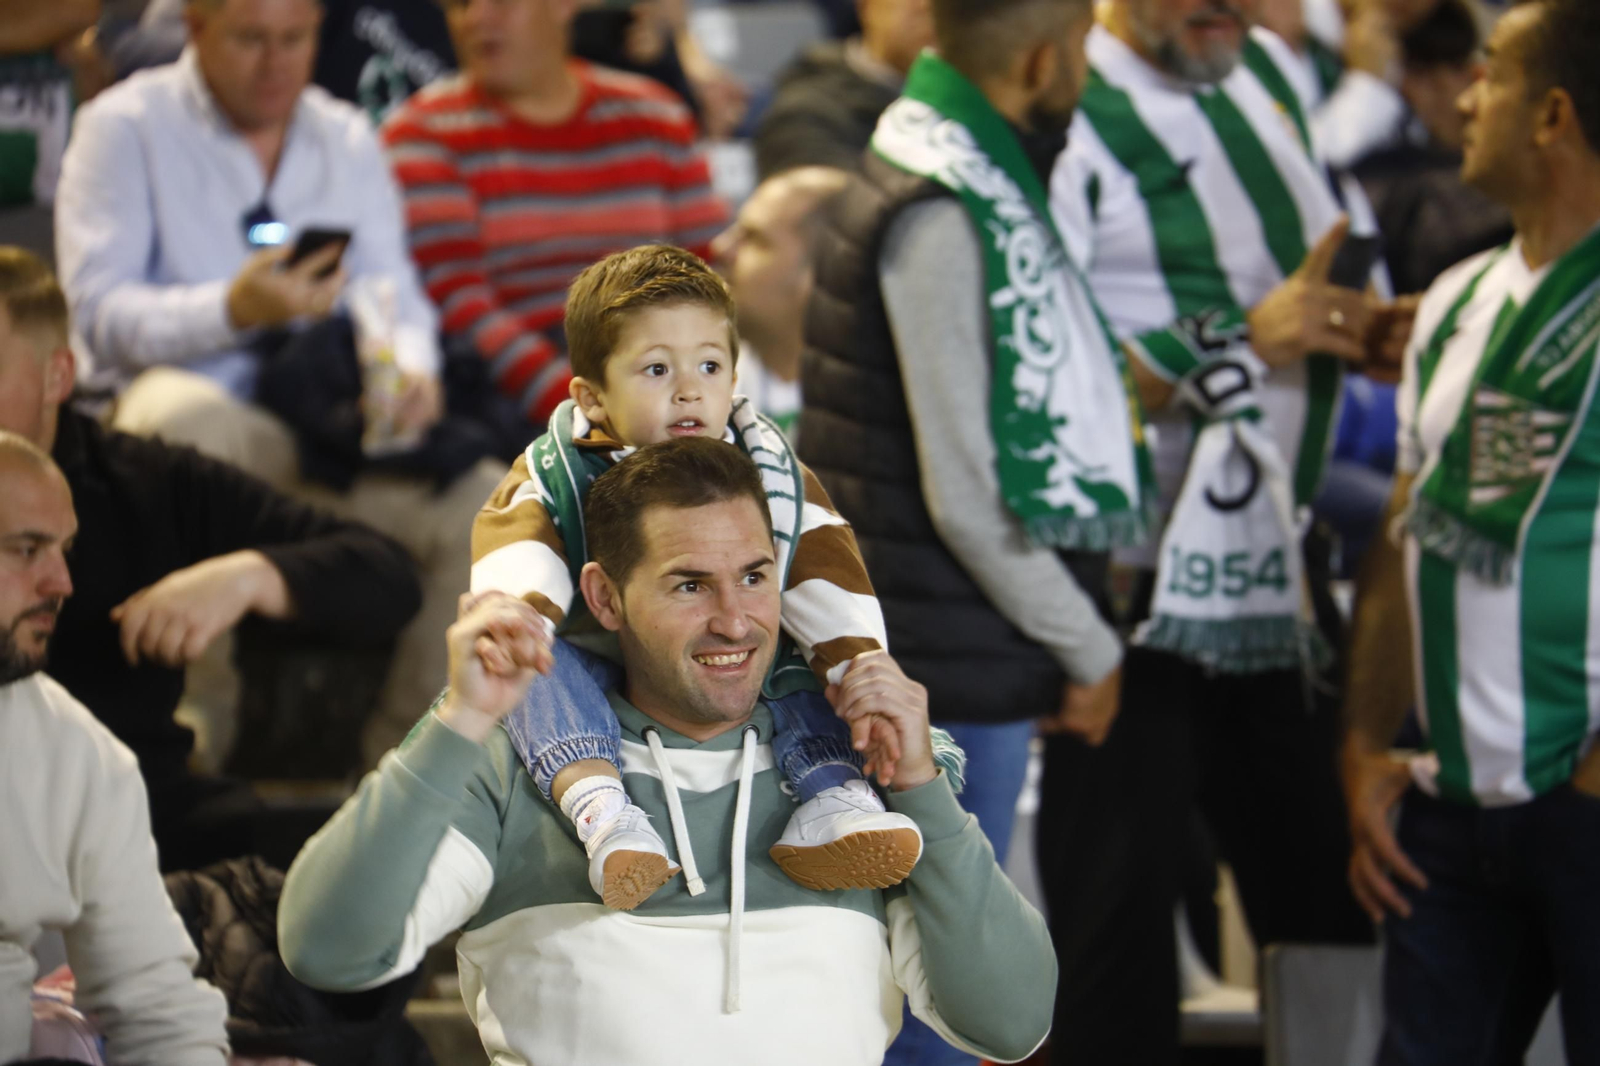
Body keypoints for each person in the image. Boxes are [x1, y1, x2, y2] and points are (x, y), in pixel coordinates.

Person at [279, 437, 1056, 1066]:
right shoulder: (511, 761)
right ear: (605, 596)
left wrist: (921, 789)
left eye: (754, 577)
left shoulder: (858, 779)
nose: (737, 620)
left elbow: (1011, 1023)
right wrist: (458, 723)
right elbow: (328, 950)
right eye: (690, 585)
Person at [1042, 0, 1411, 1059]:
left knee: (1339, 910)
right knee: (1114, 952)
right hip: (1129, 589)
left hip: (1275, 571)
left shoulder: (1258, 71)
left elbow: (1300, 304)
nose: (1226, 7)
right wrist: (1243, 340)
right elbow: (1047, 401)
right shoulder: (1064, 113)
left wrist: (1357, 332)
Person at [800, 0, 1160, 1061]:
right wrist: (1091, 647)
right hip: (945, 670)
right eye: (1087, 49)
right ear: (1046, 57)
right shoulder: (944, 204)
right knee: (937, 1009)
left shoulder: (933, 159)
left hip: (940, 649)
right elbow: (964, 491)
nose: (1088, 72)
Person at [51, 0, 506, 762]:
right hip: (189, 432)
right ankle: (191, 745)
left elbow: (395, 291)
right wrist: (232, 308)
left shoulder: (344, 135)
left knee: (486, 507)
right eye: (251, 39)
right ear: (195, 28)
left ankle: (411, 779)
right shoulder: (123, 126)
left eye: (294, 39)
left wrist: (412, 373)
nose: (276, 63)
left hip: (321, 435)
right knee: (179, 415)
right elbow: (96, 314)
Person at [469, 243, 924, 910]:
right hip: (598, 657)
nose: (688, 390)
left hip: (720, 662)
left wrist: (856, 661)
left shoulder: (767, 468)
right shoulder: (558, 467)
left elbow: (823, 561)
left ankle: (833, 795)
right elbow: (518, 545)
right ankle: (603, 808)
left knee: (789, 651)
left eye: (709, 366)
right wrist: (522, 618)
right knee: (535, 674)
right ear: (592, 398)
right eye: (656, 369)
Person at [1342, 2, 1600, 1061]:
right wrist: (1360, 746)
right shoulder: (1450, 298)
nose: (1463, 97)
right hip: (1445, 808)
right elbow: (1402, 541)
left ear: (1548, 113)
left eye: (1487, 74)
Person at [0, 246, 423, 870]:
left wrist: (250, 576)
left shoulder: (144, 481)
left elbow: (384, 573)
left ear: (58, 377)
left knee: (342, 897)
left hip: (135, 820)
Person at [380, 0, 728, 432]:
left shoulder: (657, 116)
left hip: (669, 383)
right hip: (522, 416)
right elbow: (460, 303)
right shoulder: (419, 135)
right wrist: (591, 414)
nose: (477, 19)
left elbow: (710, 271)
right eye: (460, 5)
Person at [0, 430, 231, 1064]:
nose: (62, 581)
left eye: (65, 550)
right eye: (27, 549)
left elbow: (157, 1009)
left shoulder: (80, 756)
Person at [710, 166, 849, 436]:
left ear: (821, 273)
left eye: (753, 238)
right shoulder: (697, 397)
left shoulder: (886, 414)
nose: (721, 247)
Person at [754, 0, 934, 179]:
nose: (927, 5)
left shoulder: (957, 103)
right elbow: (828, 204)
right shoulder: (807, 113)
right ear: (866, 5)